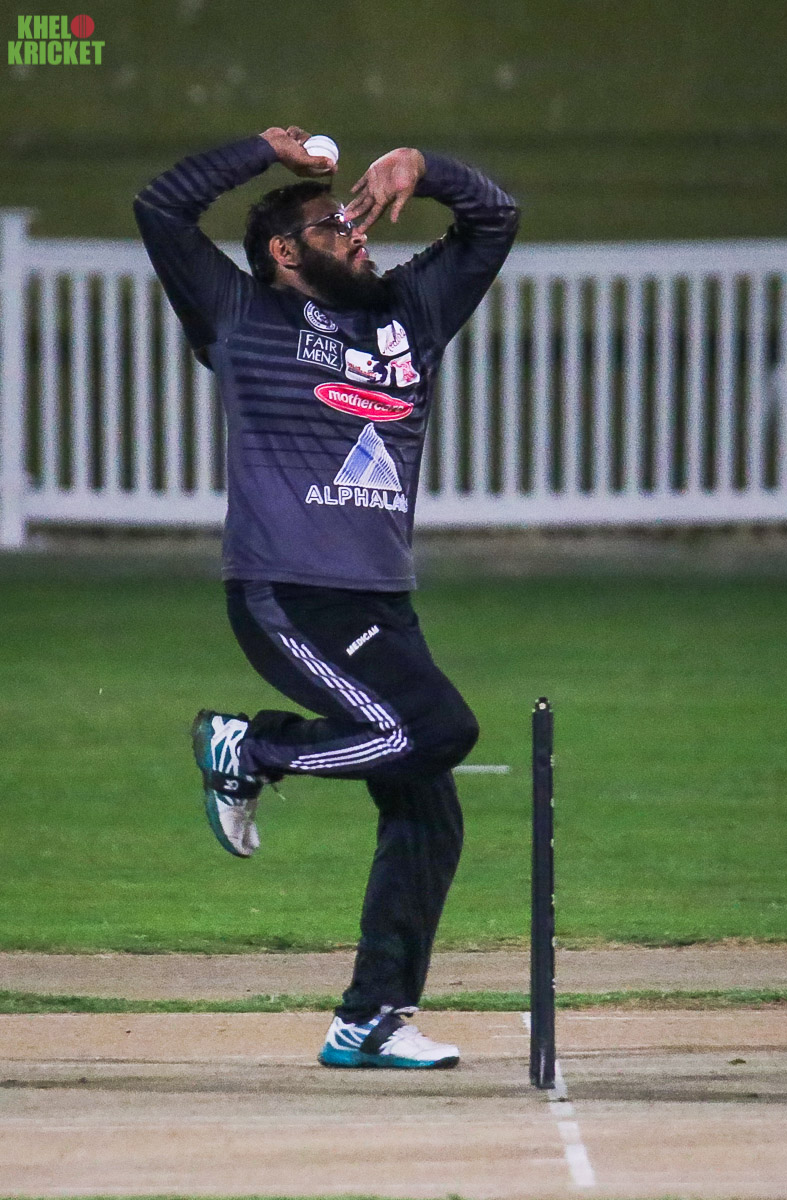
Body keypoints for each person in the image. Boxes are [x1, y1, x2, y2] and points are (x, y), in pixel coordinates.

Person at [134, 124, 519, 1070]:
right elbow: (161, 208)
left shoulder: (407, 314)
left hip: (384, 601)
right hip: (289, 595)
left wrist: (422, 169)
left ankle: (370, 1019)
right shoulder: (238, 313)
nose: (358, 235)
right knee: (436, 730)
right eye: (335, 227)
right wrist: (263, 152)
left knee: (428, 809)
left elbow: (495, 221)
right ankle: (252, 747)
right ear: (283, 251)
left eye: (358, 223)